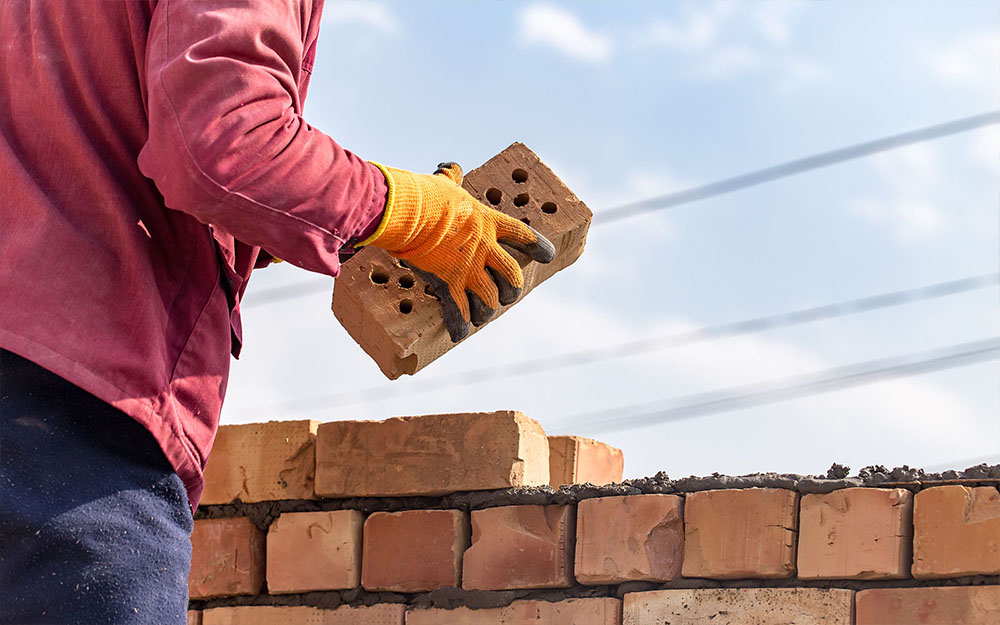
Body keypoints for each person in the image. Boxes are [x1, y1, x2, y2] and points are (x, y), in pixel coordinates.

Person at [0, 1, 553, 623]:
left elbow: (78, 145)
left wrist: (317, 224)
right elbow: (224, 147)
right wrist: (409, 213)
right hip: (70, 412)